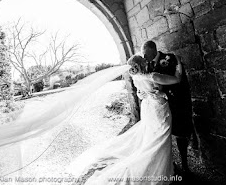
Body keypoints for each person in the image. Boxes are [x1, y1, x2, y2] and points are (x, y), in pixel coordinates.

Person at [66, 54, 183, 185]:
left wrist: (147, 94)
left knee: (152, 137)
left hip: (148, 108)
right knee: (161, 138)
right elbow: (177, 79)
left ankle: (163, 166)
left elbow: (140, 93)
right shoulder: (153, 76)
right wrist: (178, 62)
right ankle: (158, 170)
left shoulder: (135, 77)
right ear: (141, 64)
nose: (146, 62)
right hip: (158, 109)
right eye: (144, 61)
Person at [140, 40, 194, 174]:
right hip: (160, 106)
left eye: (145, 53)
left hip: (177, 102)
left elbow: (180, 80)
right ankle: (167, 164)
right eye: (143, 54)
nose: (144, 57)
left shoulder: (170, 58)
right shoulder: (147, 65)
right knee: (163, 135)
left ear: (153, 49)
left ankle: (185, 164)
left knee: (181, 133)